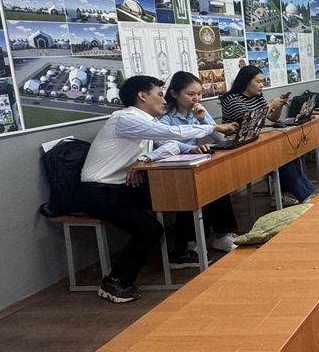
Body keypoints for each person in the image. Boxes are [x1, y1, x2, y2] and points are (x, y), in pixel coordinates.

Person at [79, 75, 238, 303]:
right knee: (150, 230)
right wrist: (213, 126)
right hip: (98, 191)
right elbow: (172, 134)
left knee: (183, 193)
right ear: (142, 96)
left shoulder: (147, 121)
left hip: (125, 186)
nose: (164, 101)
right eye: (159, 95)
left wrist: (145, 158)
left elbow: (170, 145)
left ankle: (182, 251)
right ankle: (114, 282)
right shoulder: (125, 119)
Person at [160, 71, 240, 266]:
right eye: (190, 94)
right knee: (192, 191)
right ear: (174, 93)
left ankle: (222, 235)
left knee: (217, 183)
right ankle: (188, 244)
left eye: (199, 93)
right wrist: (190, 148)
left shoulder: (197, 111)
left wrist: (204, 119)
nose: (196, 98)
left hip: (193, 163)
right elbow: (162, 143)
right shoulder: (166, 116)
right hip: (170, 168)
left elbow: (220, 136)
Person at [219, 65, 317, 204]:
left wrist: (279, 106)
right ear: (246, 81)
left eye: (262, 81)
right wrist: (270, 104)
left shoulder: (257, 97)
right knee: (281, 160)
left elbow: (273, 118)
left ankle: (286, 194)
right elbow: (250, 121)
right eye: (258, 81)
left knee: (289, 154)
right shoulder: (232, 99)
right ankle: (305, 195)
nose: (261, 85)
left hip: (257, 140)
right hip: (240, 147)